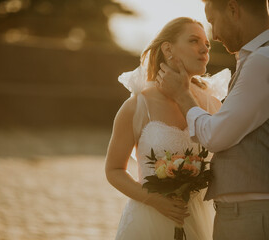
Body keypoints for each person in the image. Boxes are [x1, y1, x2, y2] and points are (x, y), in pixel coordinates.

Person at [156, 0, 269, 240]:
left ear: (233, 9)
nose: (214, 35)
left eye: (212, 21)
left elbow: (216, 136)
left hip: (251, 216)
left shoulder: (262, 61)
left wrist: (183, 96)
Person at [105, 17, 226, 240]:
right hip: (149, 220)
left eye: (207, 45)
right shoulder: (136, 106)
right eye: (193, 41)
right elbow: (113, 170)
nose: (204, 49)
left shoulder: (213, 105)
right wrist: (156, 201)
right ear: (168, 49)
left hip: (201, 220)